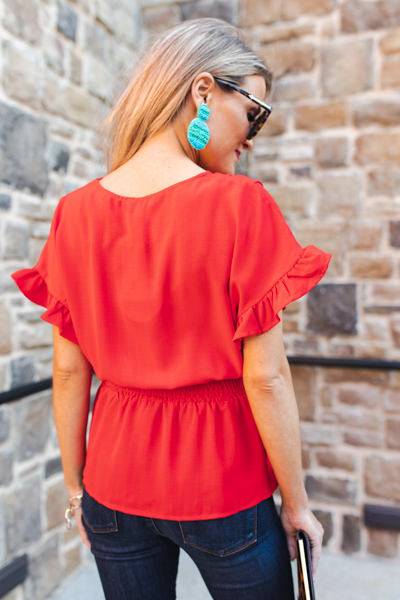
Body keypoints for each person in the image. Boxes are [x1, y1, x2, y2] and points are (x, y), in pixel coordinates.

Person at [11, 18, 330, 600]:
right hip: (223, 484)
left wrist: (77, 491)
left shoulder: (74, 213)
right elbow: (266, 376)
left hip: (112, 484)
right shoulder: (240, 205)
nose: (252, 136)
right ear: (203, 91)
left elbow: (67, 371)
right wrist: (298, 506)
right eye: (254, 111)